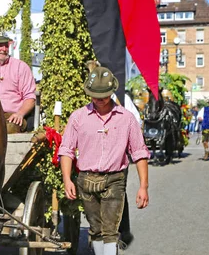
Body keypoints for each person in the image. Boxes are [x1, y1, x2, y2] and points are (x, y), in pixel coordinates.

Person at [59, 67, 150, 255]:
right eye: (95, 95)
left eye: (104, 96)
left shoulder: (127, 118)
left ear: (112, 92)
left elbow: (139, 152)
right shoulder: (78, 117)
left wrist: (143, 186)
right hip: (86, 179)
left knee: (110, 230)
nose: (99, 100)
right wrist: (67, 179)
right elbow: (66, 150)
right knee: (95, 229)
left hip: (115, 179)